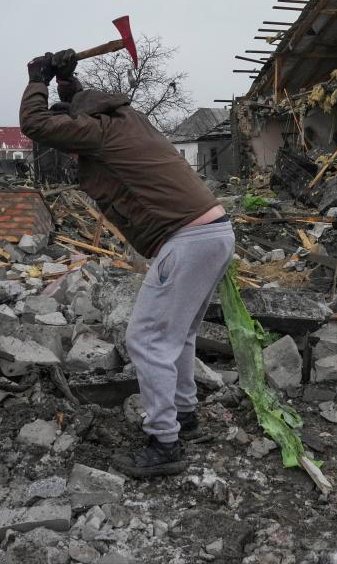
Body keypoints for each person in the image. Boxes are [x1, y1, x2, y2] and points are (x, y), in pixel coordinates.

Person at [19, 49, 235, 477]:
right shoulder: (127, 120)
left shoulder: (97, 134)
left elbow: (35, 124)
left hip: (188, 239)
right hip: (216, 232)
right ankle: (184, 415)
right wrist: (68, 81)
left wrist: (37, 80)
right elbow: (85, 107)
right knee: (181, 334)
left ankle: (164, 444)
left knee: (147, 340)